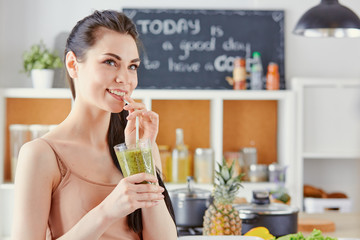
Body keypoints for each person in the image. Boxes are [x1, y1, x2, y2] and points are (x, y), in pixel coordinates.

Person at [11, 10, 177, 240]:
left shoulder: (139, 148)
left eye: (132, 66)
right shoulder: (41, 154)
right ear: (73, 64)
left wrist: (141, 155)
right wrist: (107, 211)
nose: (125, 79)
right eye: (110, 62)